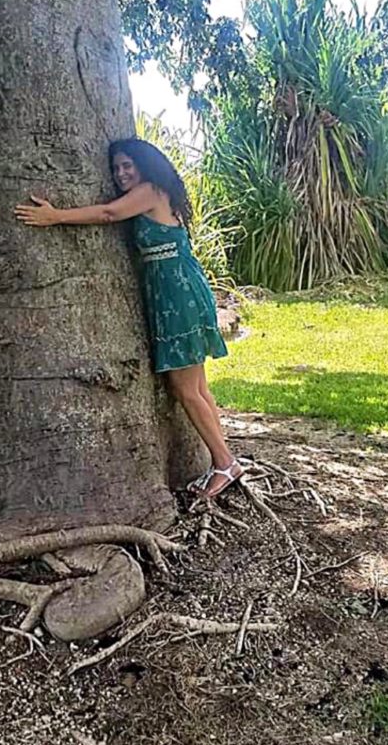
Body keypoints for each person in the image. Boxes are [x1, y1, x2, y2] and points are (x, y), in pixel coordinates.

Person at [14, 138, 243, 498]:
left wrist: (55, 216)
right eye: (116, 167)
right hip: (180, 289)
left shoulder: (150, 190)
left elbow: (109, 214)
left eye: (127, 166)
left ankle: (225, 463)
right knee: (197, 387)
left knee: (185, 389)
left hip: (176, 294)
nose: (121, 173)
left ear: (145, 165)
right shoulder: (160, 191)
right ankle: (225, 459)